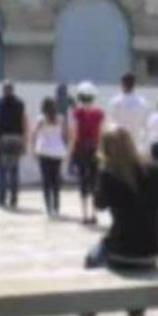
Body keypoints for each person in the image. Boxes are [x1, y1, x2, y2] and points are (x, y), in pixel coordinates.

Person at [81, 127, 158, 316]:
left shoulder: (109, 175)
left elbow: (99, 204)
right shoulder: (154, 170)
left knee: (91, 259)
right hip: (154, 248)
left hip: (123, 250)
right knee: (134, 271)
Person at [68, 81, 105, 225]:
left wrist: (71, 153)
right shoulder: (99, 113)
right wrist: (101, 150)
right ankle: (94, 214)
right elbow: (101, 134)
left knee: (83, 181)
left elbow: (74, 134)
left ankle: (84, 215)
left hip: (81, 149)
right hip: (94, 149)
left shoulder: (76, 113)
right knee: (94, 181)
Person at [0, 80, 29, 209]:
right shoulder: (20, 103)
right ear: (13, 89)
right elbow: (24, 122)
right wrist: (24, 141)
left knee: (2, 170)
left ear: (3, 90)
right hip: (16, 138)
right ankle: (14, 199)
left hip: (3, 139)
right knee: (14, 170)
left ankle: (2, 198)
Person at [32, 96, 68, 217]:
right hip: (57, 151)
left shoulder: (40, 119)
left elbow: (34, 133)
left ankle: (48, 208)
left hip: (44, 150)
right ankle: (57, 207)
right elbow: (64, 134)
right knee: (55, 180)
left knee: (46, 181)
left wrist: (33, 148)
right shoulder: (60, 118)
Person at [109, 73, 151, 154]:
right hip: (136, 145)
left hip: (119, 144)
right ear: (134, 85)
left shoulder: (115, 102)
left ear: (121, 84)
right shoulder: (143, 103)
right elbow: (146, 126)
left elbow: (111, 124)